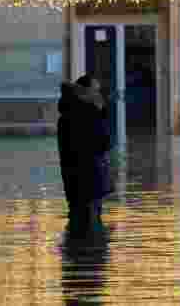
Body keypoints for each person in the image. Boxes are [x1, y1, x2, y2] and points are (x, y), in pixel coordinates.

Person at [57, 74, 113, 237]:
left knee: (81, 225)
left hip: (78, 183)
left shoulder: (69, 114)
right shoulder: (86, 115)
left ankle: (79, 256)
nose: (99, 94)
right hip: (89, 182)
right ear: (86, 93)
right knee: (90, 230)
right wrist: (99, 113)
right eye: (96, 90)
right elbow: (103, 144)